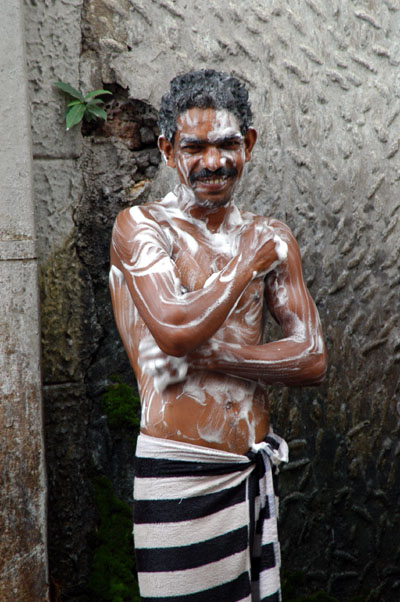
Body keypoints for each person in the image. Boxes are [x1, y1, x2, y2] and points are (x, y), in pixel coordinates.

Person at [109, 69, 327, 602]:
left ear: (248, 144)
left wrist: (221, 355)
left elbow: (311, 356)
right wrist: (243, 266)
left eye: (228, 143)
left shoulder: (273, 235)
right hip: (177, 476)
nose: (213, 162)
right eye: (195, 147)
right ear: (166, 150)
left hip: (251, 471)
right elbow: (177, 331)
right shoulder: (141, 228)